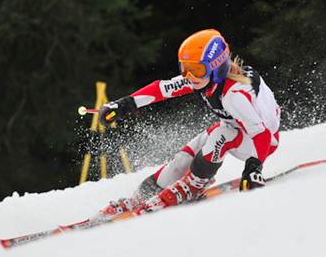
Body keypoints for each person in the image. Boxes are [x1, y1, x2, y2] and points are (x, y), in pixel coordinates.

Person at [97, 28, 281, 215]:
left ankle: (193, 185)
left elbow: (262, 134)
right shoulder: (203, 79)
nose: (189, 76)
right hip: (236, 131)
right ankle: (141, 197)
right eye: (184, 68)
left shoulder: (234, 95)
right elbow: (162, 88)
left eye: (196, 69)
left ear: (216, 67)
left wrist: (253, 169)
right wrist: (123, 105)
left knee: (220, 134)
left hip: (261, 144)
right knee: (182, 159)